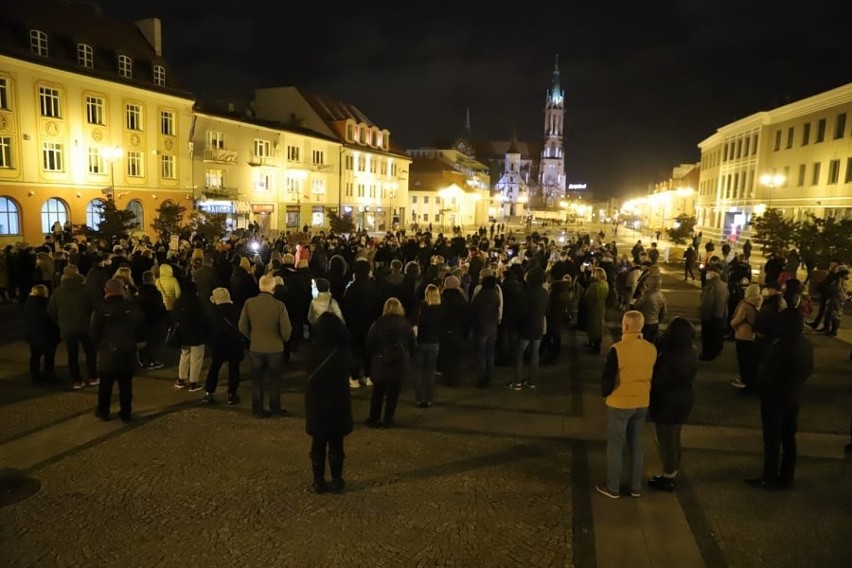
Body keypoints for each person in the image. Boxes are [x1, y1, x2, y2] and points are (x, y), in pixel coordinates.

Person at [746, 300, 813, 490]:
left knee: (772, 439)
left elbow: (767, 373)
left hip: (775, 397)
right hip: (794, 394)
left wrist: (761, 388)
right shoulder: (806, 344)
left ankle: (769, 476)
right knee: (789, 437)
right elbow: (809, 369)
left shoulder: (780, 345)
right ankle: (787, 475)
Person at [596, 311, 657, 499]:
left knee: (615, 445)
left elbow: (608, 378)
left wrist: (606, 393)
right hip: (641, 402)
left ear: (626, 327)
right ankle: (635, 486)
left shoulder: (618, 349)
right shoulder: (651, 348)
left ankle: (613, 486)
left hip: (621, 403)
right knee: (636, 444)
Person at [304, 312, 357, 494]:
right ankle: (336, 480)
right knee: (336, 444)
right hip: (337, 402)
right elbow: (352, 368)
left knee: (317, 443)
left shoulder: (311, 349)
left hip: (317, 402)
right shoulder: (343, 351)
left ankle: (318, 481)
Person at [647, 317, 698, 492]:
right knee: (675, 435)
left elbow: (658, 380)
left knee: (666, 439)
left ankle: (668, 476)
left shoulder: (669, 356)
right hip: (685, 399)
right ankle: (673, 470)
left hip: (668, 402)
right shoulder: (692, 351)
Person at [90, 279, 144, 422]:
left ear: (106, 290)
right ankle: (125, 413)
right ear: (122, 290)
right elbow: (139, 326)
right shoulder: (131, 306)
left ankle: (103, 411)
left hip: (107, 351)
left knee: (105, 386)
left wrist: (98, 347)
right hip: (127, 351)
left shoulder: (101, 308)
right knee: (126, 385)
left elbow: (94, 331)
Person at [239, 274, 293, 418]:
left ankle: (257, 410)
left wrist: (252, 337)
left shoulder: (249, 303)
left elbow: (242, 325)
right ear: (273, 288)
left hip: (256, 346)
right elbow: (287, 330)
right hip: (275, 347)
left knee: (257, 380)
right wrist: (283, 339)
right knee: (274, 380)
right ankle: (275, 408)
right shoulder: (279, 306)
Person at [364, 297, 416, 428]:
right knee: (393, 394)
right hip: (399, 363)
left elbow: (369, 344)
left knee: (378, 393)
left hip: (381, 361)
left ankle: (374, 418)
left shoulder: (378, 323)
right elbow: (413, 344)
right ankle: (388, 419)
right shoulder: (406, 324)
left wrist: (368, 363)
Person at [202, 288, 244, 406]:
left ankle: (209, 392)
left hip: (218, 343)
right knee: (234, 369)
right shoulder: (236, 310)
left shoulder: (213, 311)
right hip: (234, 343)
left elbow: (208, 328)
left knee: (214, 368)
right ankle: (232, 394)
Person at [23, 284, 60, 384]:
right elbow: (51, 319)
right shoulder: (46, 304)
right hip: (47, 335)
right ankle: (49, 376)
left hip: (33, 335)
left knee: (35, 356)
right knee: (49, 357)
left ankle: (35, 376)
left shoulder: (28, 304)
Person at [411, 284, 442, 405]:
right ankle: (428, 399)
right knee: (430, 372)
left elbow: (413, 323)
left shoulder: (420, 308)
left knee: (418, 372)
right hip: (434, 342)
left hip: (420, 342)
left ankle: (419, 398)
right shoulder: (440, 309)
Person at [729, 284, 762, 390]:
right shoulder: (759, 302)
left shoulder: (745, 305)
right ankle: (750, 379)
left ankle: (744, 380)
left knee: (742, 359)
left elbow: (737, 320)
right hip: (753, 335)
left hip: (742, 334)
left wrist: (732, 324)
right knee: (750, 360)